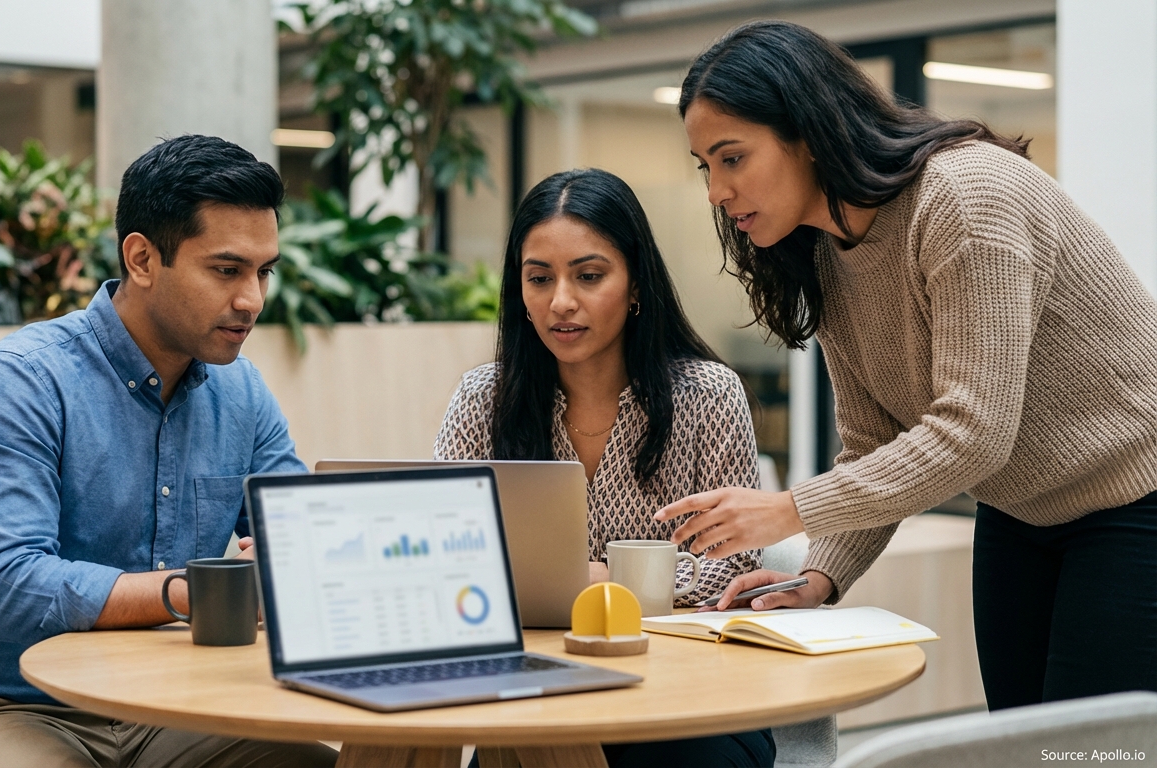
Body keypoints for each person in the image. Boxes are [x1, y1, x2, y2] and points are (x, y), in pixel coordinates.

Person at [654, 19, 1157, 712]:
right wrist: (821, 574)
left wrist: (787, 510)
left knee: (1099, 756)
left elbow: (972, 431)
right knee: (1024, 748)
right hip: (1019, 514)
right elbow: (874, 445)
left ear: (806, 134)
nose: (714, 191)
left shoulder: (963, 198)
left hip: (1136, 503)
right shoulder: (828, 255)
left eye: (731, 158)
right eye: (705, 166)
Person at [0, 136, 338, 768]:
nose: (252, 301)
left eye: (263, 272)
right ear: (141, 258)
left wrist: (295, 558)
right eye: (226, 270)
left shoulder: (241, 391)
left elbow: (297, 538)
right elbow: (9, 589)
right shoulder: (22, 379)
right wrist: (191, 592)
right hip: (4, 707)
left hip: (166, 710)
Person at [436, 168, 774, 768]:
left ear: (636, 283)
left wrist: (602, 584)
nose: (560, 301)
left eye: (589, 276)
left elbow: (737, 574)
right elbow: (443, 553)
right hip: (532, 700)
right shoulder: (483, 400)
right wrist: (618, 583)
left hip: (685, 703)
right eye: (539, 279)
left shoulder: (707, 395)